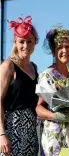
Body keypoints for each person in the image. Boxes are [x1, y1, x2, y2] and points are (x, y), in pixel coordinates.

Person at [36, 25, 69, 156]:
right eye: (60, 47)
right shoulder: (47, 75)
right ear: (53, 51)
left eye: (68, 46)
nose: (64, 50)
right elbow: (38, 108)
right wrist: (55, 116)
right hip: (55, 137)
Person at [0, 16, 39, 156]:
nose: (26, 46)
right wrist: (2, 135)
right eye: (21, 41)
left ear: (35, 42)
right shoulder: (8, 66)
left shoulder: (34, 67)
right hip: (12, 130)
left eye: (30, 41)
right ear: (15, 43)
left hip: (32, 132)